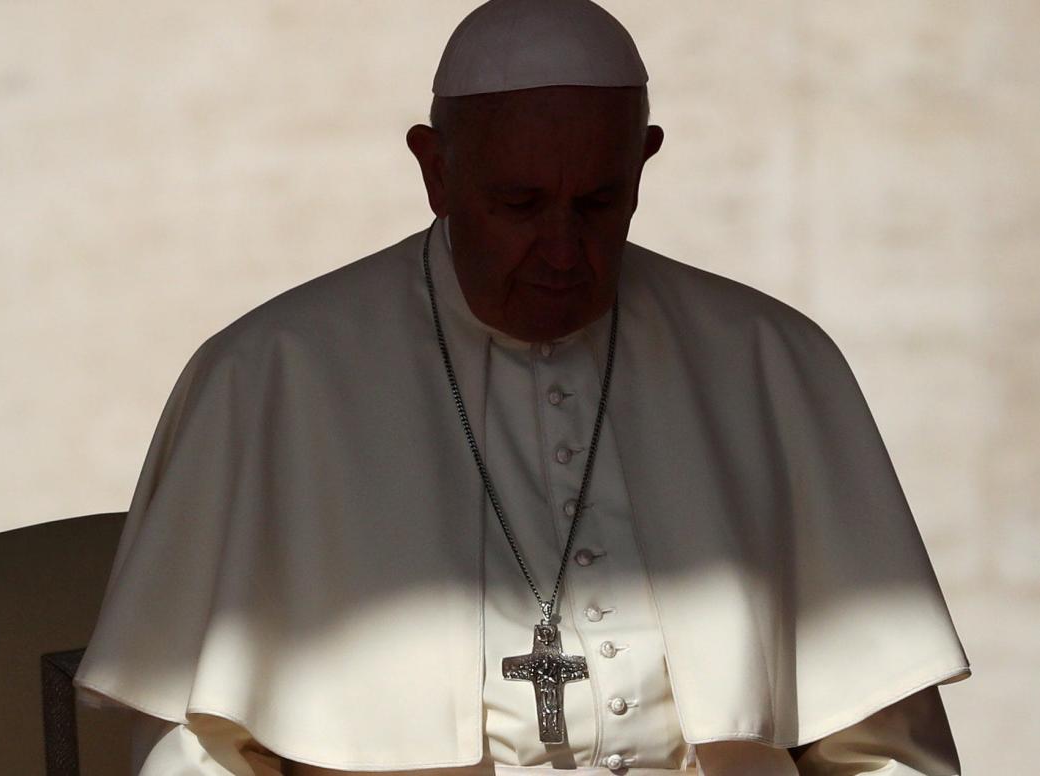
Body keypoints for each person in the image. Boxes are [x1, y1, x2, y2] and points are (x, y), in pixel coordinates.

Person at [72, 1, 972, 774]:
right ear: (433, 169)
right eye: (518, 205)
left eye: (597, 202)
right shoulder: (271, 377)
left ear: (645, 161)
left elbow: (878, 748)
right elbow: (202, 752)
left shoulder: (770, 361)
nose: (562, 249)